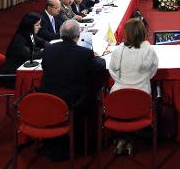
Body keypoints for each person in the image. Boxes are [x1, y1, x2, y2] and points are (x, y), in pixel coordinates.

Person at [108, 18, 159, 155]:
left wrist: (122, 81)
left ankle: (123, 139)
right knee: (132, 106)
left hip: (117, 99)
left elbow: (112, 70)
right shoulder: (149, 51)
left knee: (124, 106)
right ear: (143, 32)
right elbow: (152, 72)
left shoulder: (118, 51)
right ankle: (128, 139)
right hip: (141, 100)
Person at [39, 20, 106, 108]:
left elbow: (44, 66)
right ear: (78, 35)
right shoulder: (85, 53)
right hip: (73, 99)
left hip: (47, 96)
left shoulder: (48, 49)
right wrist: (97, 57)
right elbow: (98, 67)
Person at [0, 12, 47, 87]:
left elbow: (43, 42)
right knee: (43, 81)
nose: (40, 27)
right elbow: (30, 56)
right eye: (37, 25)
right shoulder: (19, 40)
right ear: (29, 26)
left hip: (23, 70)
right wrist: (47, 51)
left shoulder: (30, 34)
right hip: (13, 76)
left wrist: (53, 47)